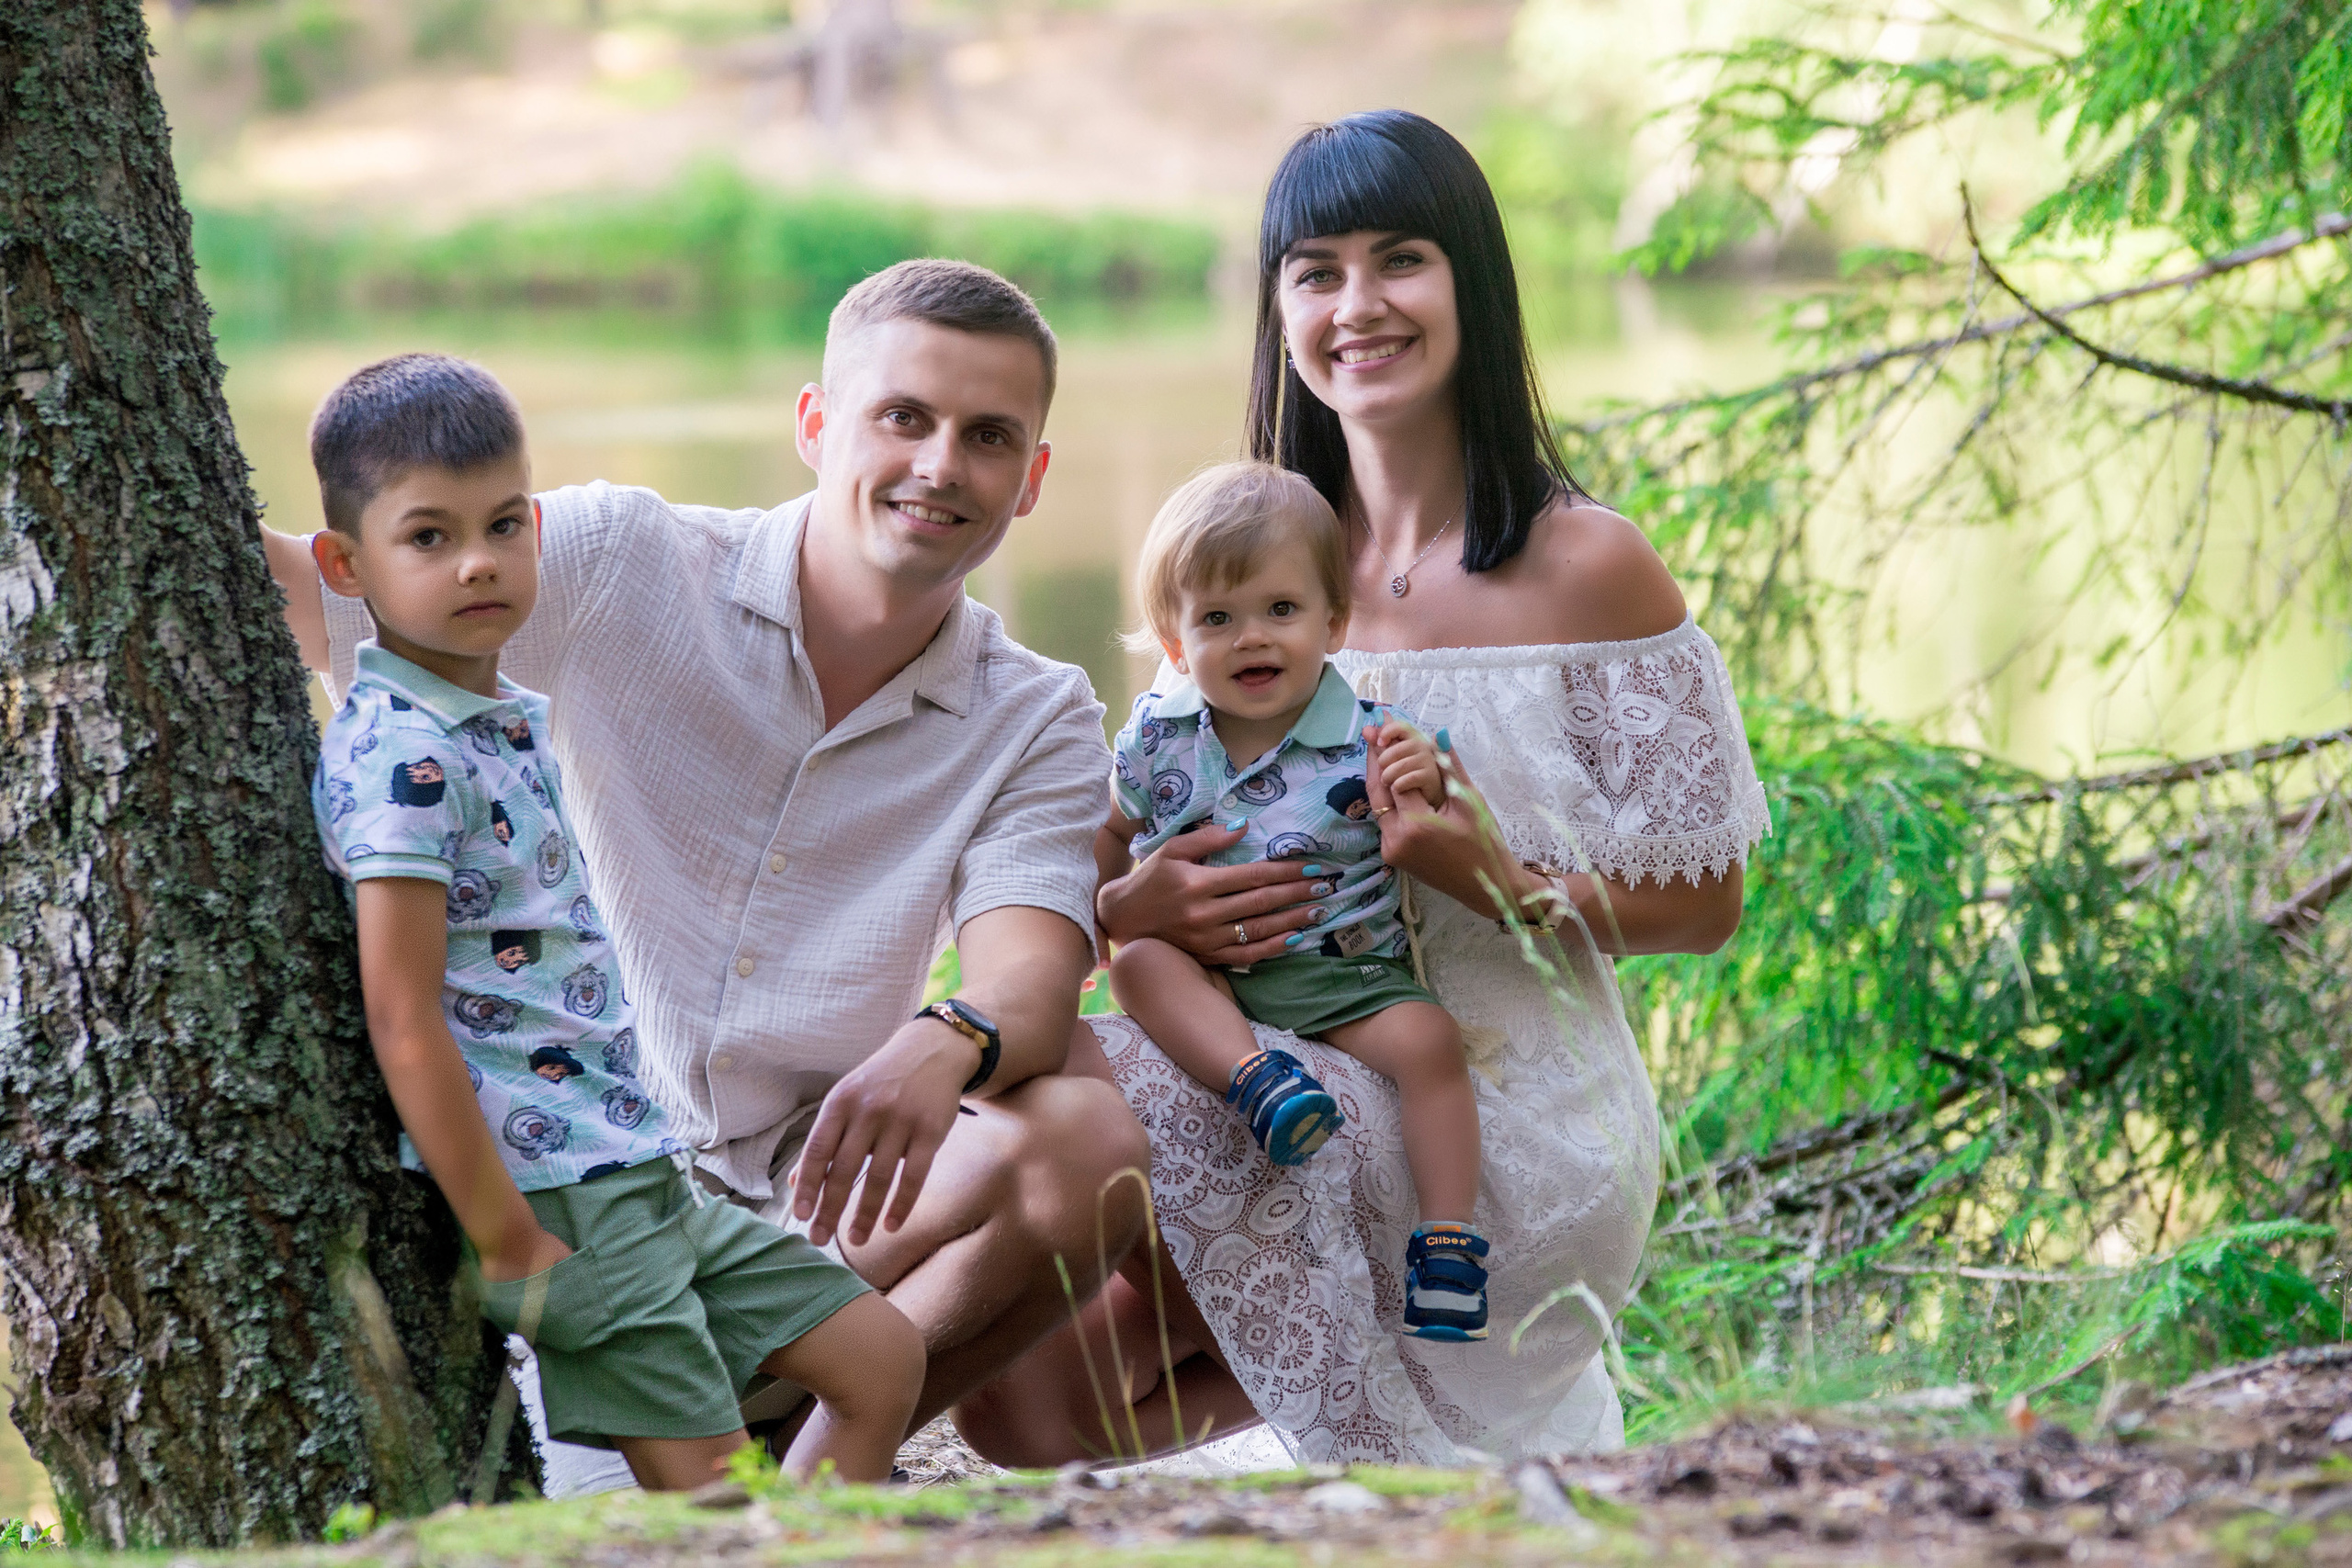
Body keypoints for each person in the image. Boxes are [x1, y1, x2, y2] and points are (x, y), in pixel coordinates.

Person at [967, 109, 1770, 1467]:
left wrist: (1502, 885)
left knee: (1059, 1116)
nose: (1359, 304)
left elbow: (1706, 906)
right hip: (1272, 1069)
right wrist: (1134, 902)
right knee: (1019, 1404)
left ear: (1472, 279)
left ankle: (780, 1410)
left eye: (1401, 258)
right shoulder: (1244, 562)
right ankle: (1402, 1429)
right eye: (1317, 269)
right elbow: (1115, 845)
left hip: (1501, 1114)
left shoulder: (1589, 567)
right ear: (1277, 305)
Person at [263, 261, 1151, 1481]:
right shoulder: (627, 557)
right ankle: (717, 1424)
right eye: (904, 417)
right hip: (575, 1176)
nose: (942, 463)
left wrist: (947, 1030)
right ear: (814, 426)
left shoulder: (1037, 712)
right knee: (630, 1503)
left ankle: (813, 1465)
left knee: (1083, 1137)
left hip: (815, 1197)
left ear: (1031, 479)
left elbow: (1033, 984)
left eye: (988, 436)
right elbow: (314, 590)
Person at [303, 354, 924, 1487]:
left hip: (637, 1160)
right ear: (347, 565)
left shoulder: (496, 715)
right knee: (711, 1500)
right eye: (429, 538)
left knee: (880, 1358)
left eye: (502, 524)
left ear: (537, 524)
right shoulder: (405, 756)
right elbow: (401, 1018)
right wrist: (506, 1243)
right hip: (558, 1195)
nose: (479, 562)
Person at [1097, 462, 1491, 1342]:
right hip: (1212, 975)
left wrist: (1430, 780)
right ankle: (1258, 1081)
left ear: (1334, 623)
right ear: (1173, 642)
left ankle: (1450, 1239)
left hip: (1346, 977)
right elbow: (1104, 841)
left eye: (1281, 610)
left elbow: (1450, 820)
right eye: (1217, 619)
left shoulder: (1374, 737)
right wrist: (1110, 901)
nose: (1251, 640)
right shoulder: (1156, 741)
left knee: (1429, 1042)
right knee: (1140, 967)